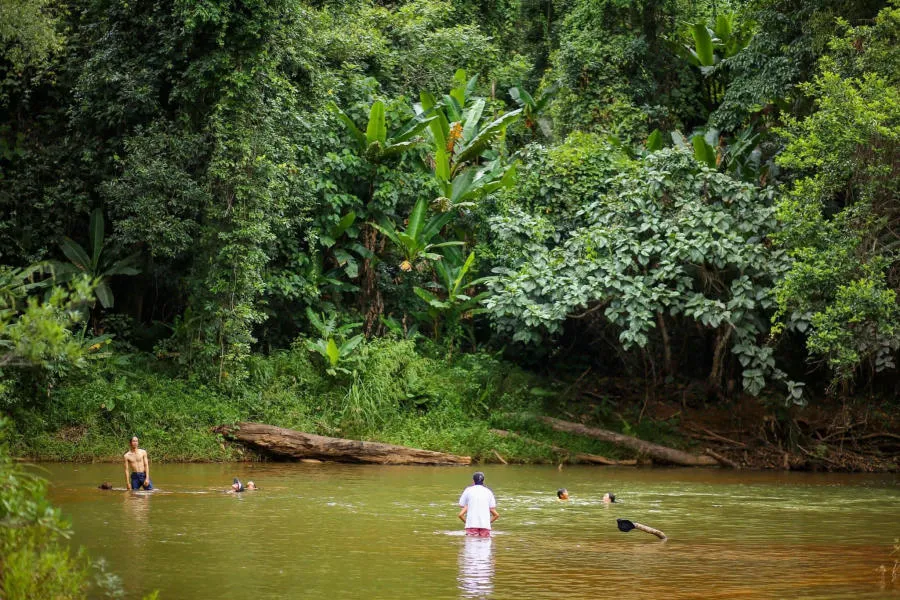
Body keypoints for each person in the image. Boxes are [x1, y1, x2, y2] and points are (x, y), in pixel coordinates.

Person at [458, 471, 499, 537]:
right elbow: (492, 507)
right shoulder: (488, 491)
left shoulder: (468, 490)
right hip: (485, 525)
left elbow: (461, 504)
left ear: (473, 480)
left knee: (472, 543)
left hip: (471, 524)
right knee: (485, 544)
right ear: (483, 480)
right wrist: (488, 522)